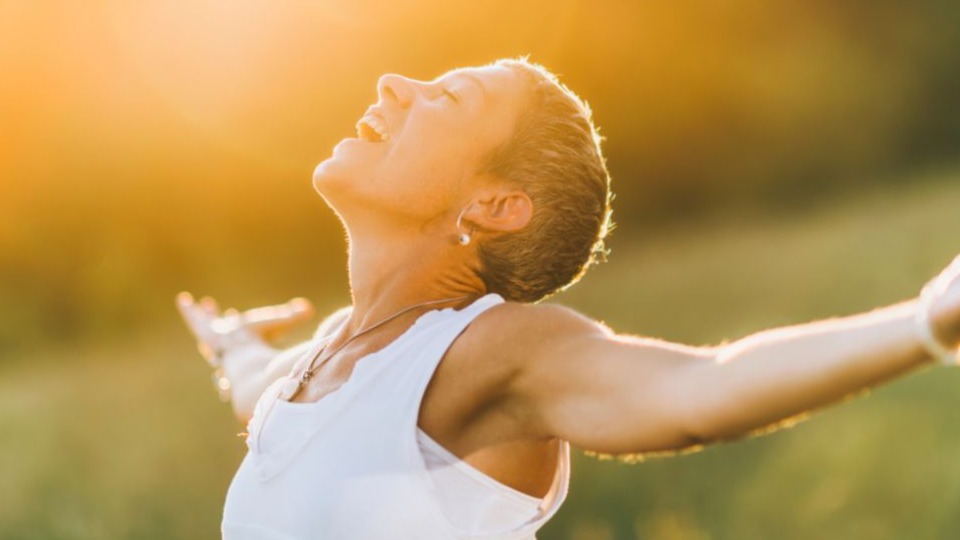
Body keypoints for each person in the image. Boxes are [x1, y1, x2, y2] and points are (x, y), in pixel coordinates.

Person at [176, 57, 960, 539]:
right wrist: (230, 342)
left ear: (494, 205)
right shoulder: (325, 358)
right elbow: (256, 388)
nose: (393, 83)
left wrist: (929, 322)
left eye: (446, 98)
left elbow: (700, 390)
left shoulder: (490, 351)